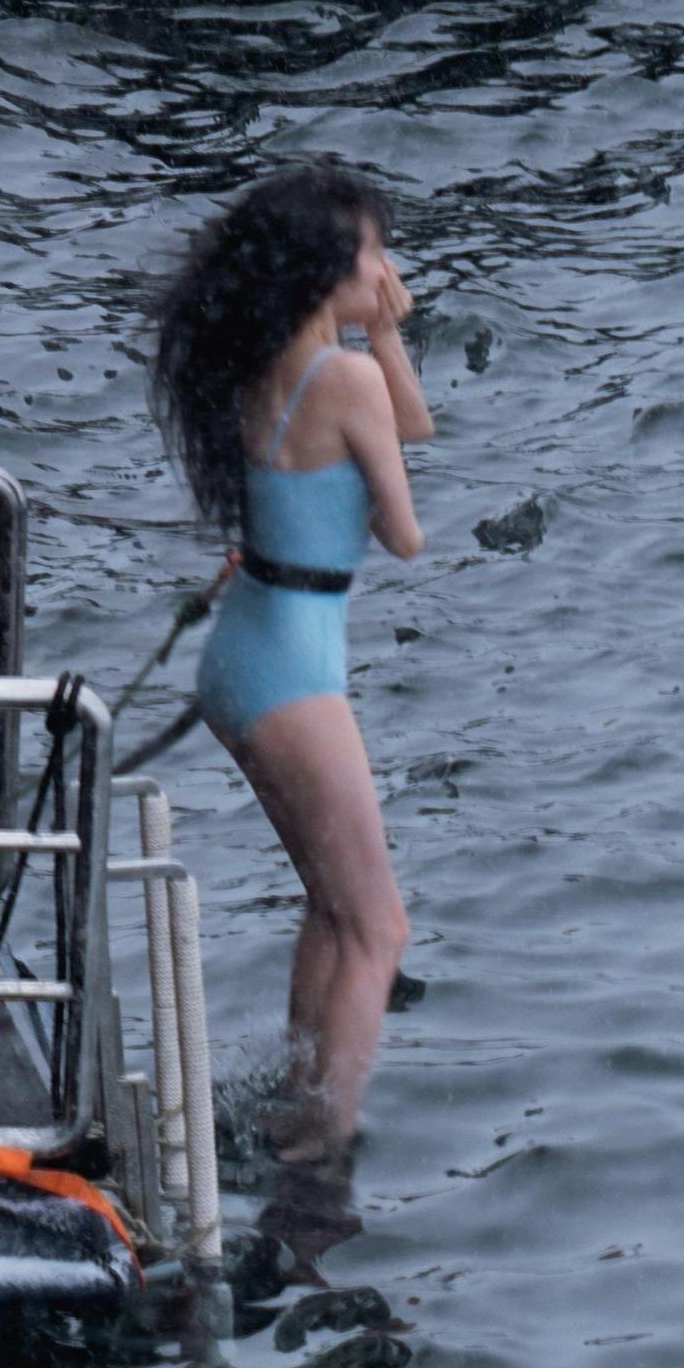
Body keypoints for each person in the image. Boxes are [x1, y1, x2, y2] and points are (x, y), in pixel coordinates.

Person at [154, 157, 429, 1141]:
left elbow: (412, 424)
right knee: (379, 928)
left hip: (244, 656)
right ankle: (326, 1150)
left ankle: (293, 1107)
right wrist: (377, 348)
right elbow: (403, 533)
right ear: (323, 269)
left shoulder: (267, 366)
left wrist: (384, 331)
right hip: (292, 672)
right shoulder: (344, 377)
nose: (387, 265)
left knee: (331, 907)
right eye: (371, 251)